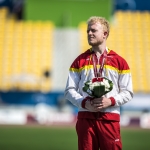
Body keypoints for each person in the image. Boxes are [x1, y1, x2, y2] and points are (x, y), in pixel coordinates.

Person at [64, 16, 133, 150]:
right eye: (88, 31)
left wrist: (111, 101)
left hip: (110, 119)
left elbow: (128, 92)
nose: (89, 33)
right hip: (86, 118)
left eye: (93, 30)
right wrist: (84, 103)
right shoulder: (79, 61)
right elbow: (69, 90)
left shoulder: (119, 61)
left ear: (105, 34)